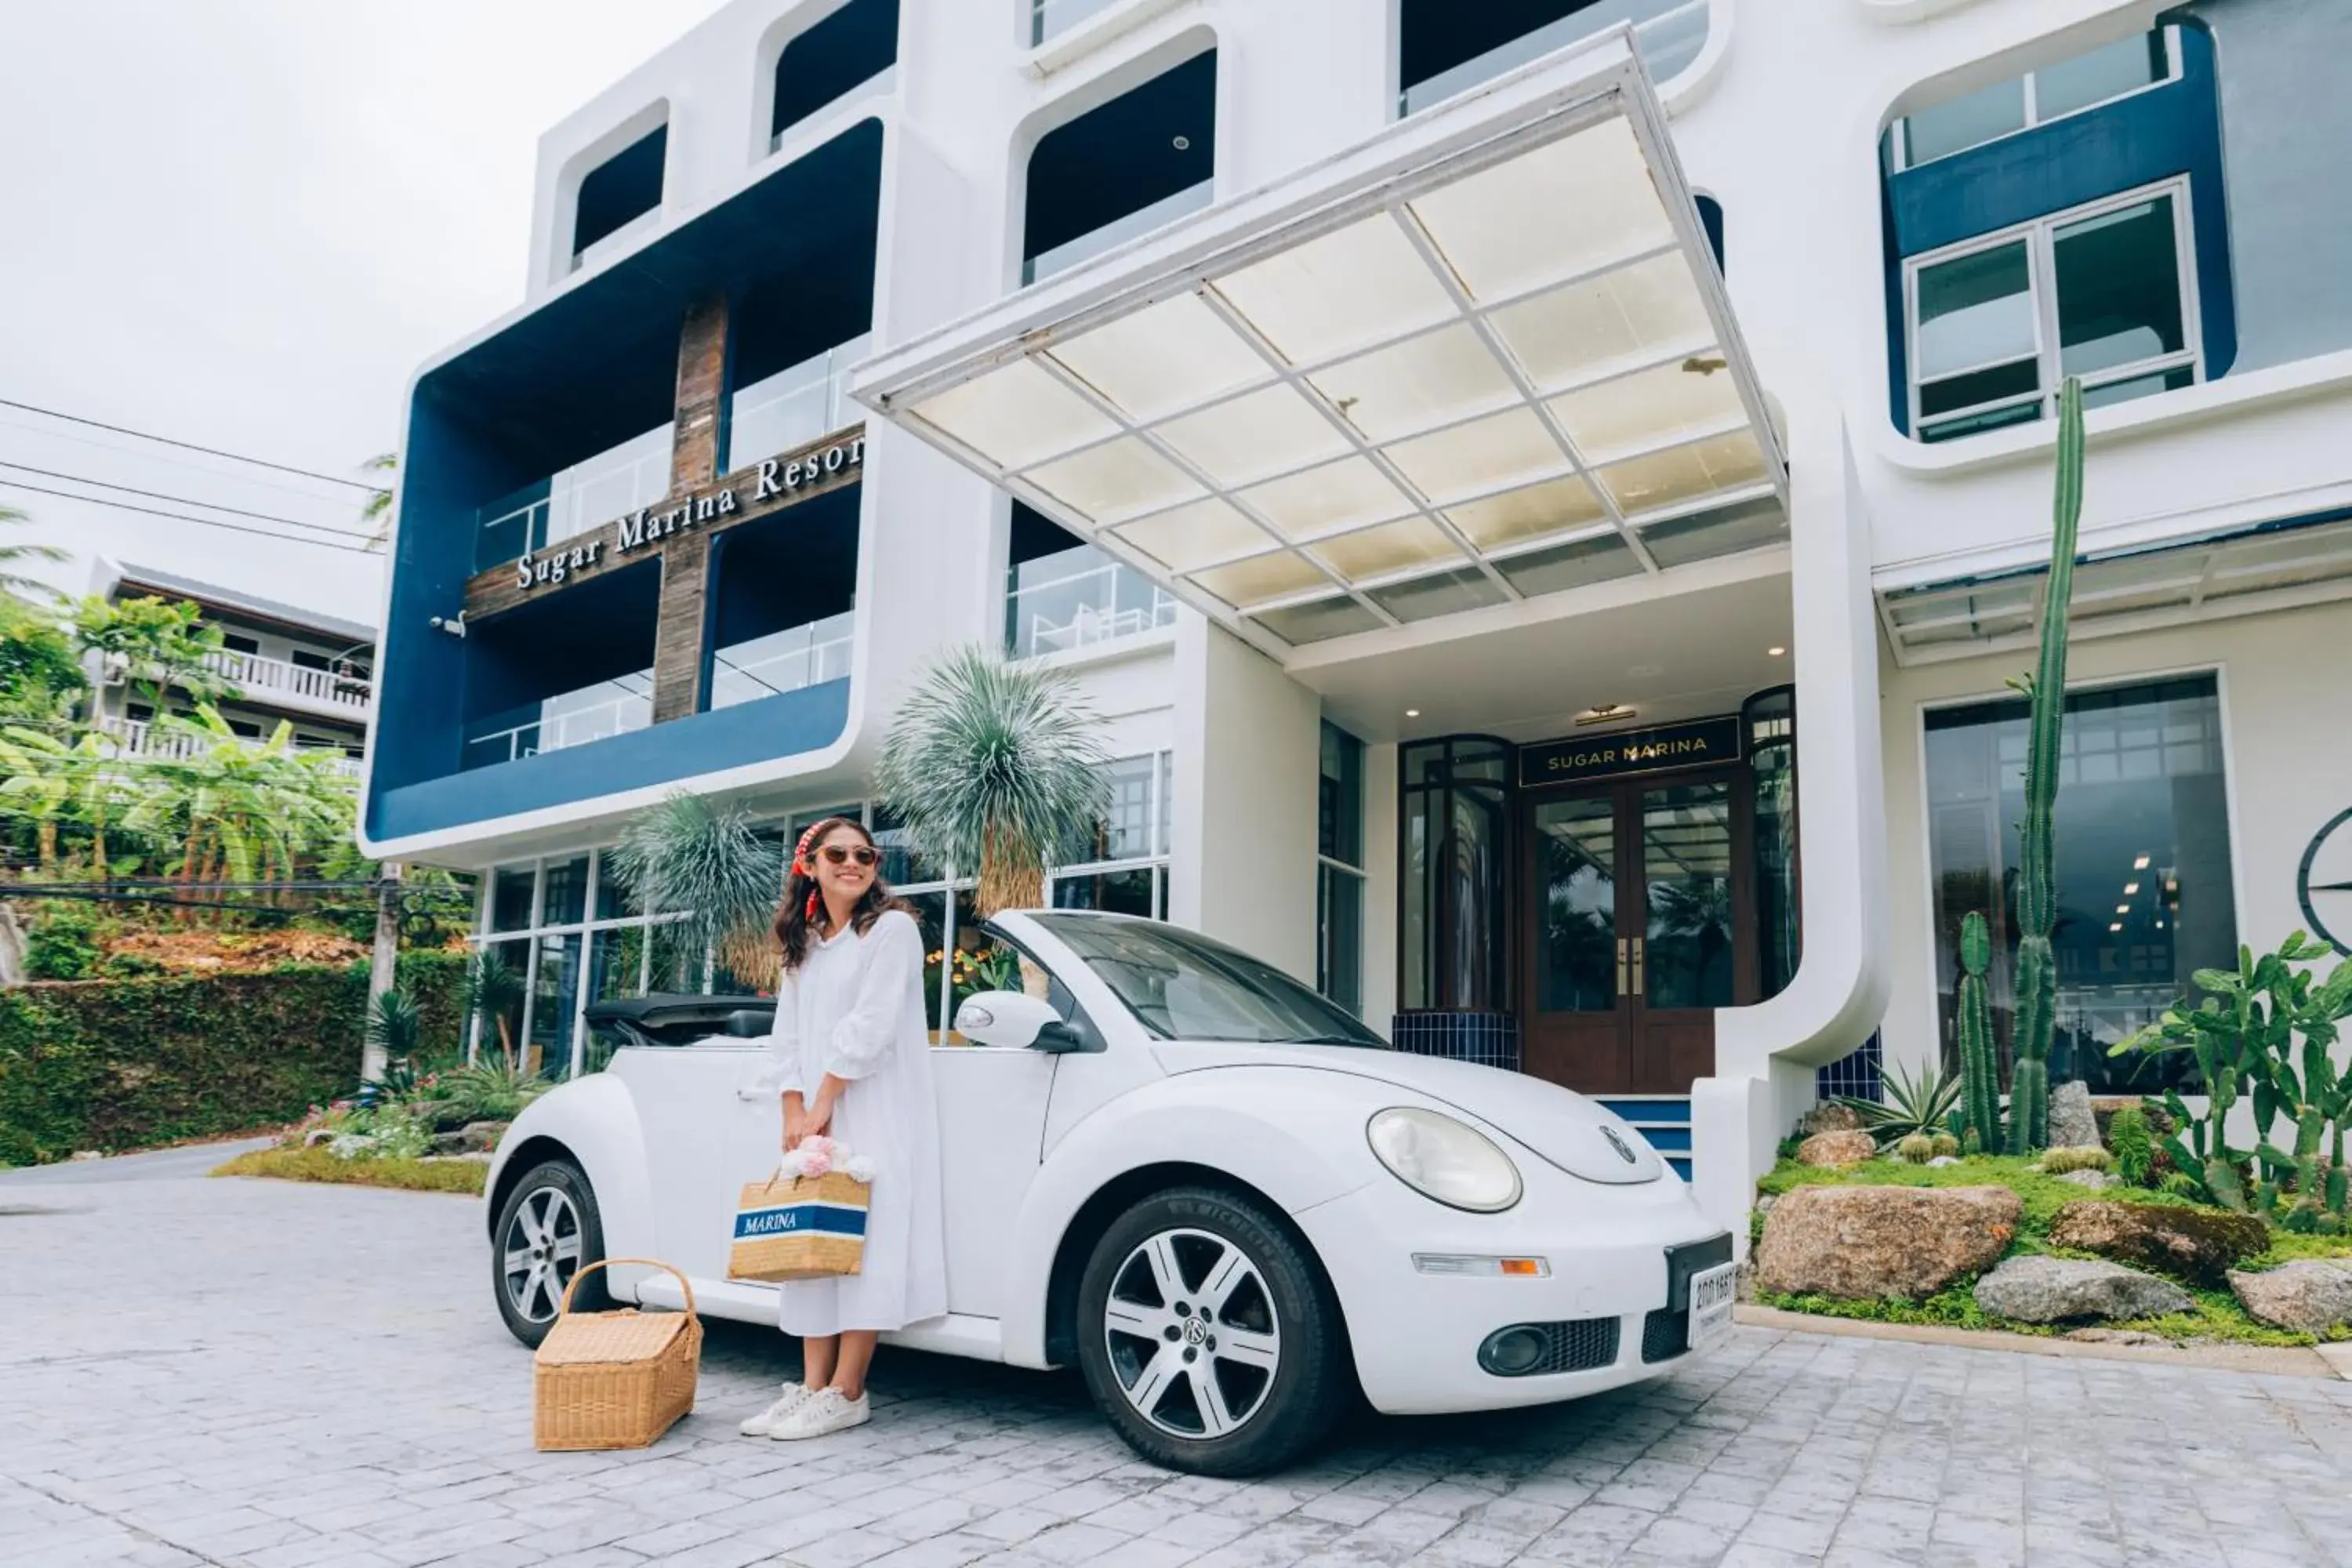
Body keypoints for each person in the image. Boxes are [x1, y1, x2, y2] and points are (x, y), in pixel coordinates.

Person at [739, 816, 946, 1441]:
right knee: (811, 1242)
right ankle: (809, 1387)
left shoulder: (892, 931)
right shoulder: (805, 944)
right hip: (815, 1112)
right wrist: (792, 1113)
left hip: (875, 1107)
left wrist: (823, 1102)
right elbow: (788, 1036)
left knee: (864, 1242)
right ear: (811, 864)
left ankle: (847, 1390)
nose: (853, 863)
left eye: (865, 854)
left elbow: (873, 1024)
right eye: (838, 853)